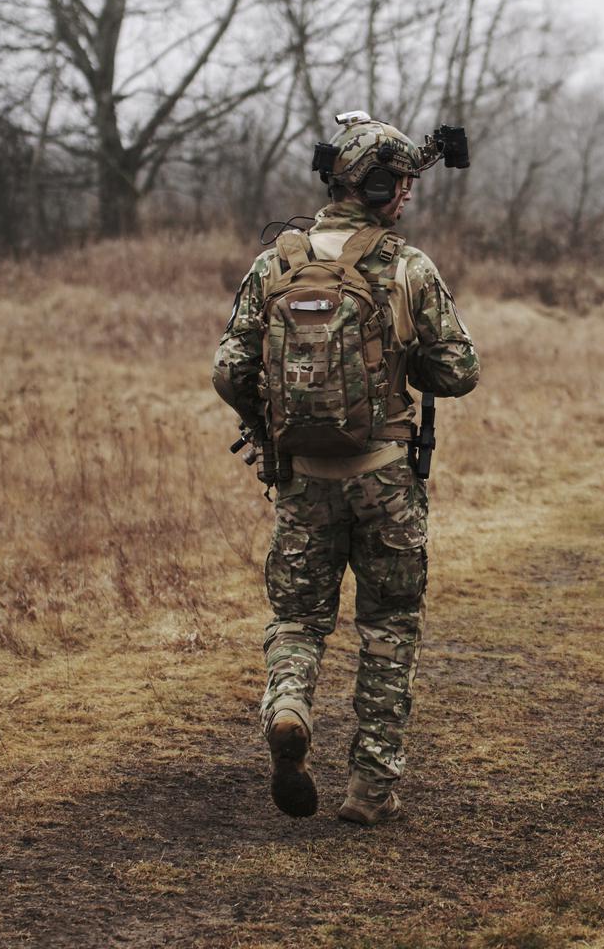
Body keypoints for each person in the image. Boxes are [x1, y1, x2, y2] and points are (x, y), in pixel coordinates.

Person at [212, 113, 480, 824]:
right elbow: (459, 372)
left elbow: (228, 367)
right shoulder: (405, 267)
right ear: (382, 186)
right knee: (389, 627)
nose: (411, 197)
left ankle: (291, 705)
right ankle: (370, 790)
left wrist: (267, 429)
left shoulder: (277, 262)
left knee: (298, 618)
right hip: (387, 478)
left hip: (302, 478)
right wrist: (406, 359)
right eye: (405, 185)